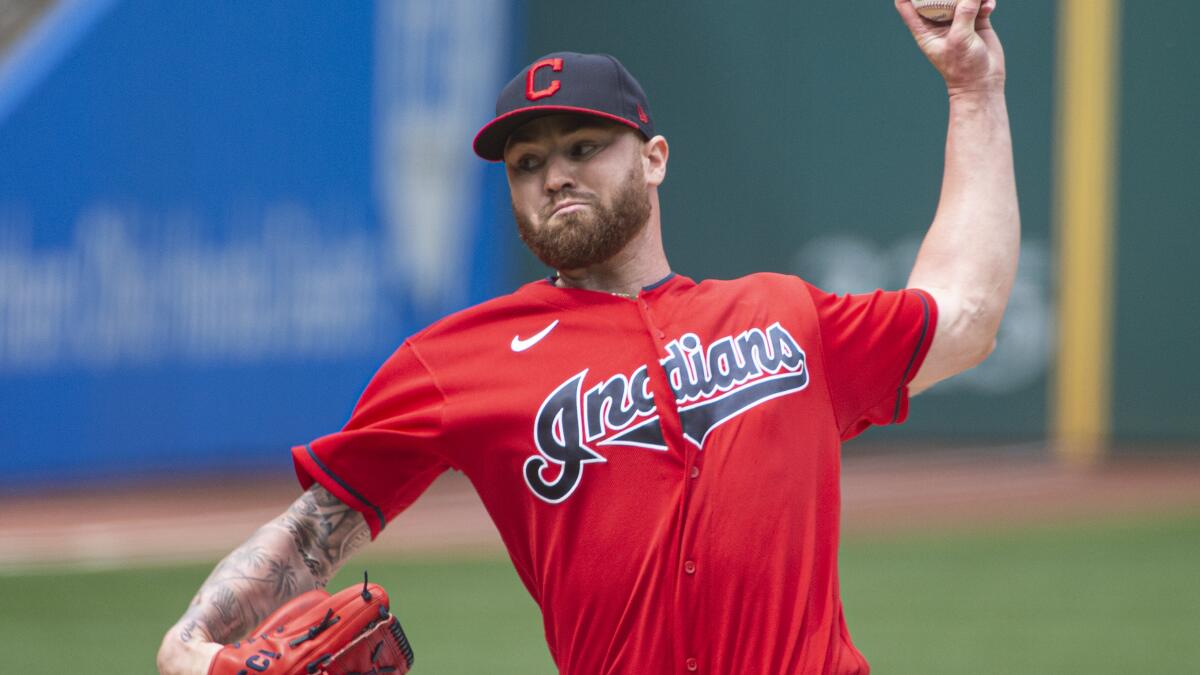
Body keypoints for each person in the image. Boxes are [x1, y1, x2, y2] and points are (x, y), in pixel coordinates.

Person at [158, 1, 1015, 672]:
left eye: (583, 145)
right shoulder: (458, 360)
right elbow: (315, 531)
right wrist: (190, 642)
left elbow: (965, 314)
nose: (553, 173)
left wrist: (973, 88)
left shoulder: (781, 314)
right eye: (525, 164)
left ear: (654, 158)